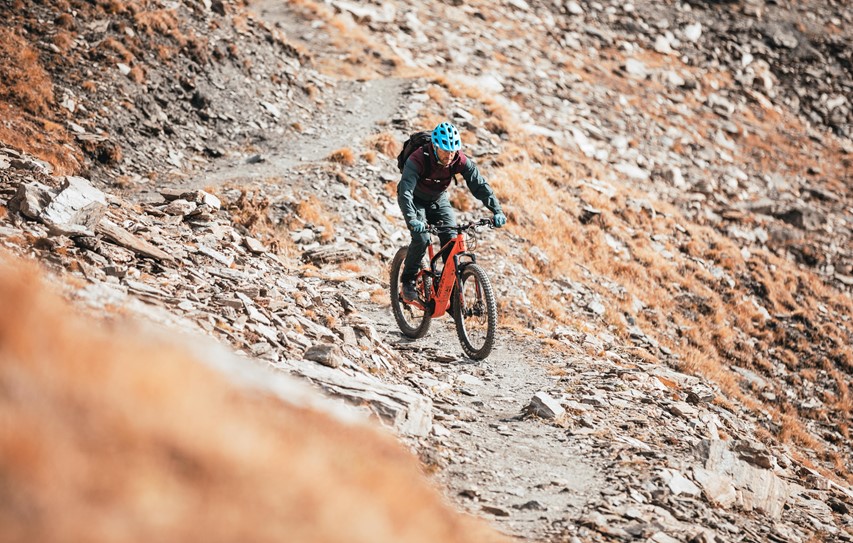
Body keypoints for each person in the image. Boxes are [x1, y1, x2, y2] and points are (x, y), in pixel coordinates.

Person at [397, 121, 506, 301]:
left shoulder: (459, 160)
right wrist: (412, 219)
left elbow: (479, 185)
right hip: (415, 200)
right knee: (422, 239)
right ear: (434, 146)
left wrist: (497, 210)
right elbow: (406, 192)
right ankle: (407, 281)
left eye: (453, 151)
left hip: (438, 199)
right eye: (445, 150)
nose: (449, 156)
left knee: (452, 240)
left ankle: (450, 291)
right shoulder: (418, 159)